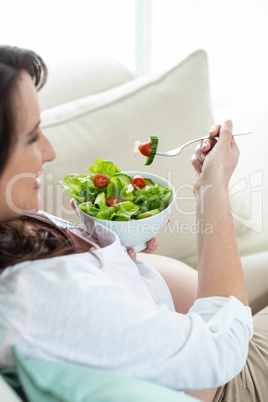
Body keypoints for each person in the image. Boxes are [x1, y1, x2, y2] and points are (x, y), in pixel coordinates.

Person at [0, 45, 267, 402]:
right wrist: (213, 189)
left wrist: (115, 263)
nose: (49, 152)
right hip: (233, 375)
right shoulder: (31, 297)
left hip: (206, 314)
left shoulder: (11, 222)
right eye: (32, 136)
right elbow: (222, 348)